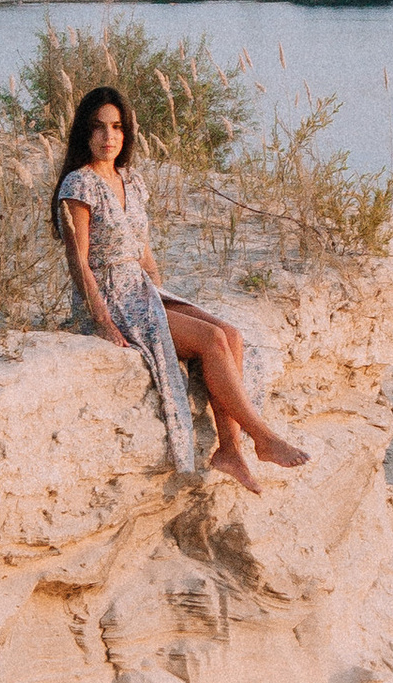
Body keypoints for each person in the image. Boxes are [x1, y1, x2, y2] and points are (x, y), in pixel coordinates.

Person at [52, 87, 310, 492]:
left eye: (117, 127)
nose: (109, 137)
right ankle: (263, 436)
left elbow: (144, 248)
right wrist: (100, 320)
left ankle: (230, 450)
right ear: (85, 133)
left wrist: (160, 294)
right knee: (210, 340)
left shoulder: (130, 180)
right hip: (108, 298)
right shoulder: (79, 184)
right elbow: (78, 261)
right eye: (99, 127)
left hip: (140, 292)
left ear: (127, 133)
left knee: (232, 335)